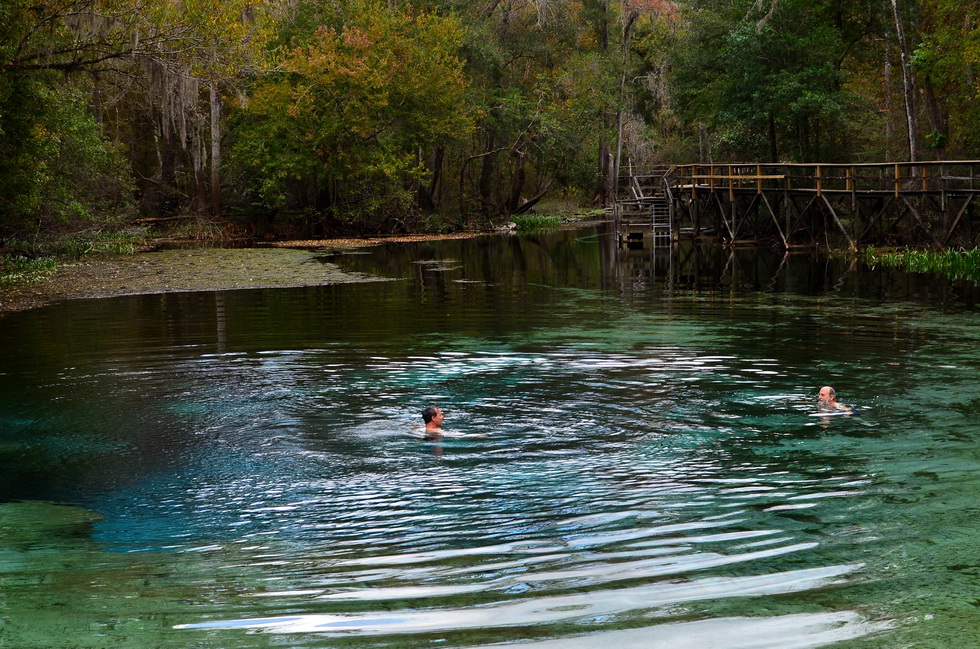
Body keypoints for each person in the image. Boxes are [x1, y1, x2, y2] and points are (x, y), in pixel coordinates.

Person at [420, 405, 487, 439]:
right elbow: (456, 435)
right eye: (440, 415)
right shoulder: (437, 432)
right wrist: (476, 436)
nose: (443, 417)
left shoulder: (422, 429)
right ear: (433, 418)